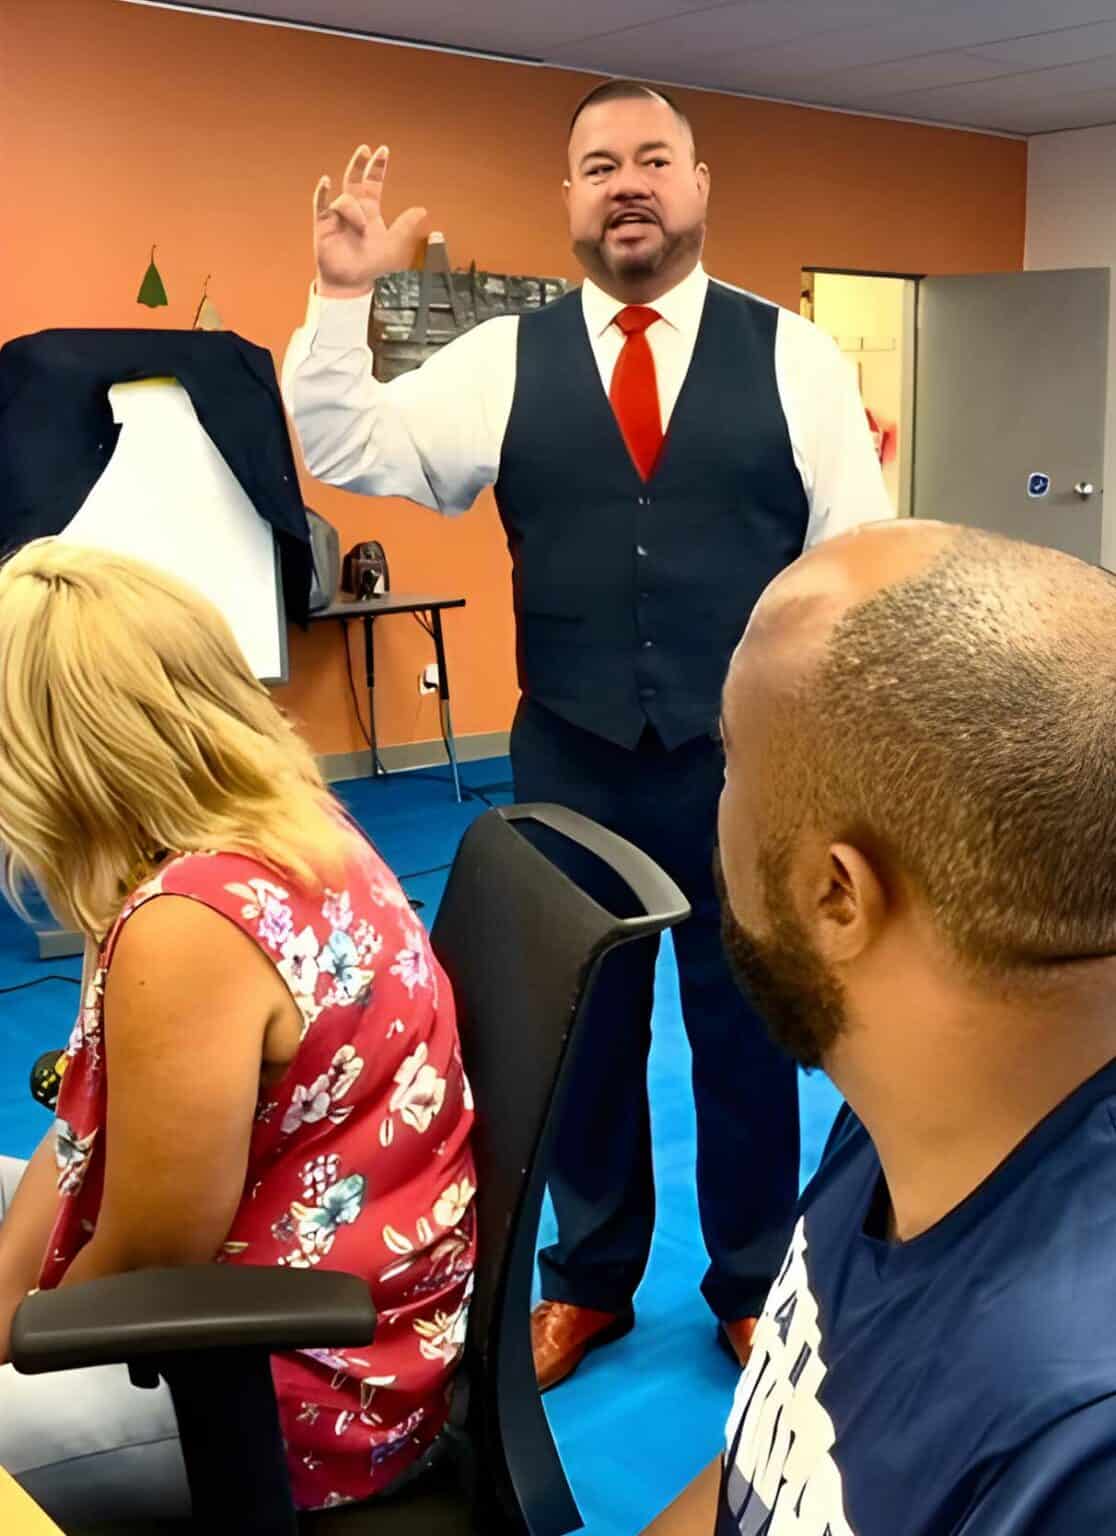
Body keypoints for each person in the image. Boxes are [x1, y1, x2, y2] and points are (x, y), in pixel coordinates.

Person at [283, 78, 891, 1390]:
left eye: (654, 158)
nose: (630, 181)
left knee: (748, 1036)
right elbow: (354, 441)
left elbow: (853, 567)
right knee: (583, 1033)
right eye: (601, 162)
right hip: (568, 757)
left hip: (751, 764)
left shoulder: (794, 356)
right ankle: (589, 1283)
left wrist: (837, 759)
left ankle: (749, 1285)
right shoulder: (505, 358)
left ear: (698, 184)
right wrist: (341, 301)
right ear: (568, 199)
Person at [646, 519, 1116, 1534]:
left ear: (837, 895)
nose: (712, 810)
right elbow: (767, 1471)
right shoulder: (921, 1099)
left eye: (731, 761)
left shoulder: (1076, 1450)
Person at [0, 539, 477, 1524]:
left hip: (273, 1397)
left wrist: (11, 1328)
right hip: (350, 1307)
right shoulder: (278, 820)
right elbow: (88, 1138)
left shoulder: (189, 927)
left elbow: (147, 1255)